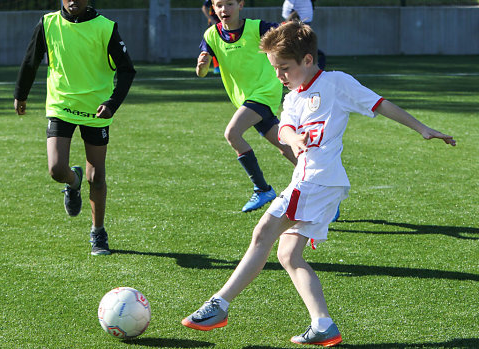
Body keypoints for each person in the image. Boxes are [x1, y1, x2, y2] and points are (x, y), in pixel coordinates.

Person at [182, 21, 456, 346]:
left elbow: (379, 103)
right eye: (275, 69)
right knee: (288, 254)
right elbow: (283, 128)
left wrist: (421, 127)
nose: (279, 76)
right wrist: (293, 138)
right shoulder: (292, 98)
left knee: (263, 233)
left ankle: (220, 304)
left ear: (308, 61)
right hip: (317, 182)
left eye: (284, 68)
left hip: (317, 179)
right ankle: (323, 324)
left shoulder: (336, 83)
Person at [14, 0, 135, 255]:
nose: (73, 1)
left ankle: (98, 233)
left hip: (96, 109)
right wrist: (21, 94)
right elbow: (31, 60)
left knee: (97, 176)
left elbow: (127, 70)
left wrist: (112, 103)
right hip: (61, 106)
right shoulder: (48, 23)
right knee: (57, 169)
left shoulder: (105, 27)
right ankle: (73, 181)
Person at [196, 0, 297, 213]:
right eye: (219, 5)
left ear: (241, 5)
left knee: (232, 133)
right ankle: (323, 191)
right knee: (286, 146)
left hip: (264, 93)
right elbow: (201, 73)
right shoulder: (211, 36)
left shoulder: (258, 28)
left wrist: (292, 28)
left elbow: (284, 32)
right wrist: (202, 66)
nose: (225, 10)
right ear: (213, 8)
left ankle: (262, 189)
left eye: (230, 4)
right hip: (245, 99)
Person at [201, 0, 221, 74]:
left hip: (224, 23)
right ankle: (217, 67)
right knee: (214, 45)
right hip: (215, 24)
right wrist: (211, 19)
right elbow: (204, 7)